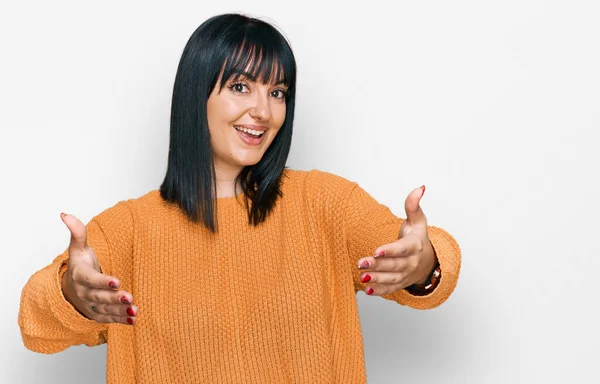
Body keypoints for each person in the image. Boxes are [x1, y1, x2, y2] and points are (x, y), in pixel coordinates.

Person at [18, 12, 461, 383]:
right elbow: (35, 323)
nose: (264, 112)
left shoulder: (324, 203)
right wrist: (73, 293)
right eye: (241, 87)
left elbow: (423, 256)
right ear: (196, 94)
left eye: (278, 92)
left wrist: (421, 262)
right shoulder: (131, 228)